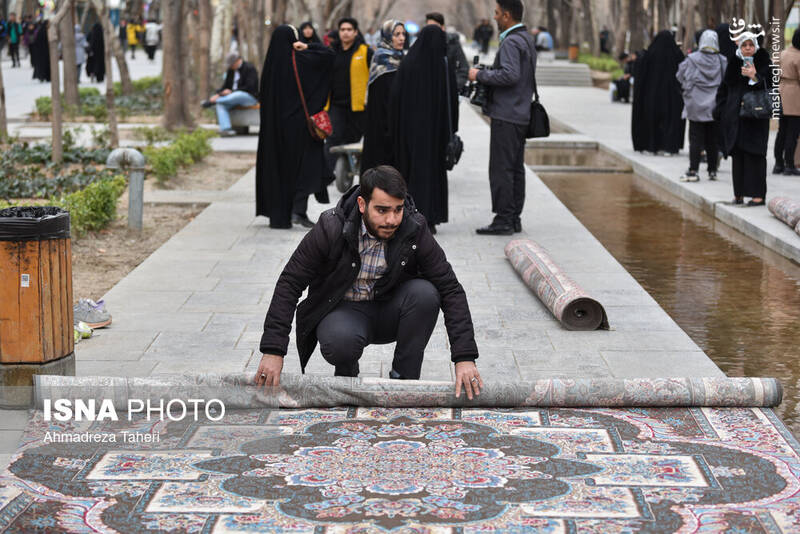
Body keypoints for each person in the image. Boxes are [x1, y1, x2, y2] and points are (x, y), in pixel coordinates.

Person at [255, 165, 483, 399]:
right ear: (363, 205)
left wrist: (464, 358)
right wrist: (273, 350)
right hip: (344, 313)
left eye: (397, 210)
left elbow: (450, 288)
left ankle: (404, 382)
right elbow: (290, 282)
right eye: (382, 210)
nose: (391, 220)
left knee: (425, 294)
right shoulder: (331, 227)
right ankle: (347, 371)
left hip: (389, 310)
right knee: (340, 342)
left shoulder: (414, 228)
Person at [255, 25, 334, 228]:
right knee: (304, 169)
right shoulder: (299, 60)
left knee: (281, 172)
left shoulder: (270, 67)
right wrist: (306, 46)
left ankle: (280, 214)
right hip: (300, 129)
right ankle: (298, 211)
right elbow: (329, 55)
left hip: (275, 132)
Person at [469, 0, 536, 235]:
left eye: (497, 13)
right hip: (520, 114)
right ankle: (514, 217)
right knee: (515, 168)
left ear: (507, 15)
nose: (495, 17)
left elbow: (509, 75)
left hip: (507, 114)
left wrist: (480, 75)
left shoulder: (511, 41)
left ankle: (503, 219)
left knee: (501, 169)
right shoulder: (526, 38)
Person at [390, 25, 457, 234]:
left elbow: (395, 98)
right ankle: (431, 217)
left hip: (410, 134)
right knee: (432, 175)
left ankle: (411, 215)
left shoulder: (409, 63)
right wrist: (451, 129)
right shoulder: (443, 67)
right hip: (435, 135)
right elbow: (452, 102)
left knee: (412, 172)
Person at [715, 29, 771, 206]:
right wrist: (722, 110)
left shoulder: (764, 63)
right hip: (735, 118)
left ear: (756, 46)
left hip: (756, 118)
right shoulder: (734, 63)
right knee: (738, 155)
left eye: (751, 45)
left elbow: (771, 88)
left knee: (755, 155)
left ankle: (758, 195)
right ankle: (738, 194)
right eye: (744, 44)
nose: (747, 48)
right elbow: (724, 89)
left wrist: (754, 76)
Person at [323, 18, 374, 173]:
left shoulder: (365, 51)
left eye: (349, 29)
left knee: (356, 140)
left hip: (359, 106)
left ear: (355, 32)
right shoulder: (331, 51)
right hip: (336, 105)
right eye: (342, 29)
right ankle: (326, 174)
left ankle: (360, 171)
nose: (345, 33)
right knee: (333, 138)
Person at [676, 29, 726, 182]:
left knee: (695, 139)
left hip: (695, 105)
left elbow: (680, 76)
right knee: (712, 139)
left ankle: (693, 169)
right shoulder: (722, 60)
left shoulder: (691, 59)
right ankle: (712, 170)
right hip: (714, 106)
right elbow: (725, 80)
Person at [360, 19, 405, 173]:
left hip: (397, 122)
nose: (401, 38)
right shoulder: (381, 58)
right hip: (380, 123)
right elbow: (380, 95)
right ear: (387, 36)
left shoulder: (402, 59)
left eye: (403, 34)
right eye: (396, 34)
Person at [631, 30, 685, 154]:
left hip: (650, 97)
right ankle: (669, 146)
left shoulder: (648, 56)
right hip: (672, 97)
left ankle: (651, 145)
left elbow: (640, 77)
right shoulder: (677, 55)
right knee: (670, 121)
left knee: (652, 120)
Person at [201, 52, 259, 137]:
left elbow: (251, 87)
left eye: (232, 64)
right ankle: (226, 129)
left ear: (238, 60)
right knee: (221, 105)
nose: (231, 66)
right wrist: (219, 94)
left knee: (238, 94)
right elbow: (225, 87)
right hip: (231, 98)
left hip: (249, 97)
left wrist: (232, 91)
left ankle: (212, 102)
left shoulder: (249, 68)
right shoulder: (230, 71)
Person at [775, 29, 800, 175]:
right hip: (795, 95)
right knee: (793, 131)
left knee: (781, 131)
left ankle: (778, 163)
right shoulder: (798, 57)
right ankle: (789, 163)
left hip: (781, 91)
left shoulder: (782, 54)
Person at [425, 12, 469, 89]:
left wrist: (453, 87)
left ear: (442, 28)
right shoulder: (423, 45)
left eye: (434, 27)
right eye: (428, 28)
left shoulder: (453, 44)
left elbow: (463, 69)